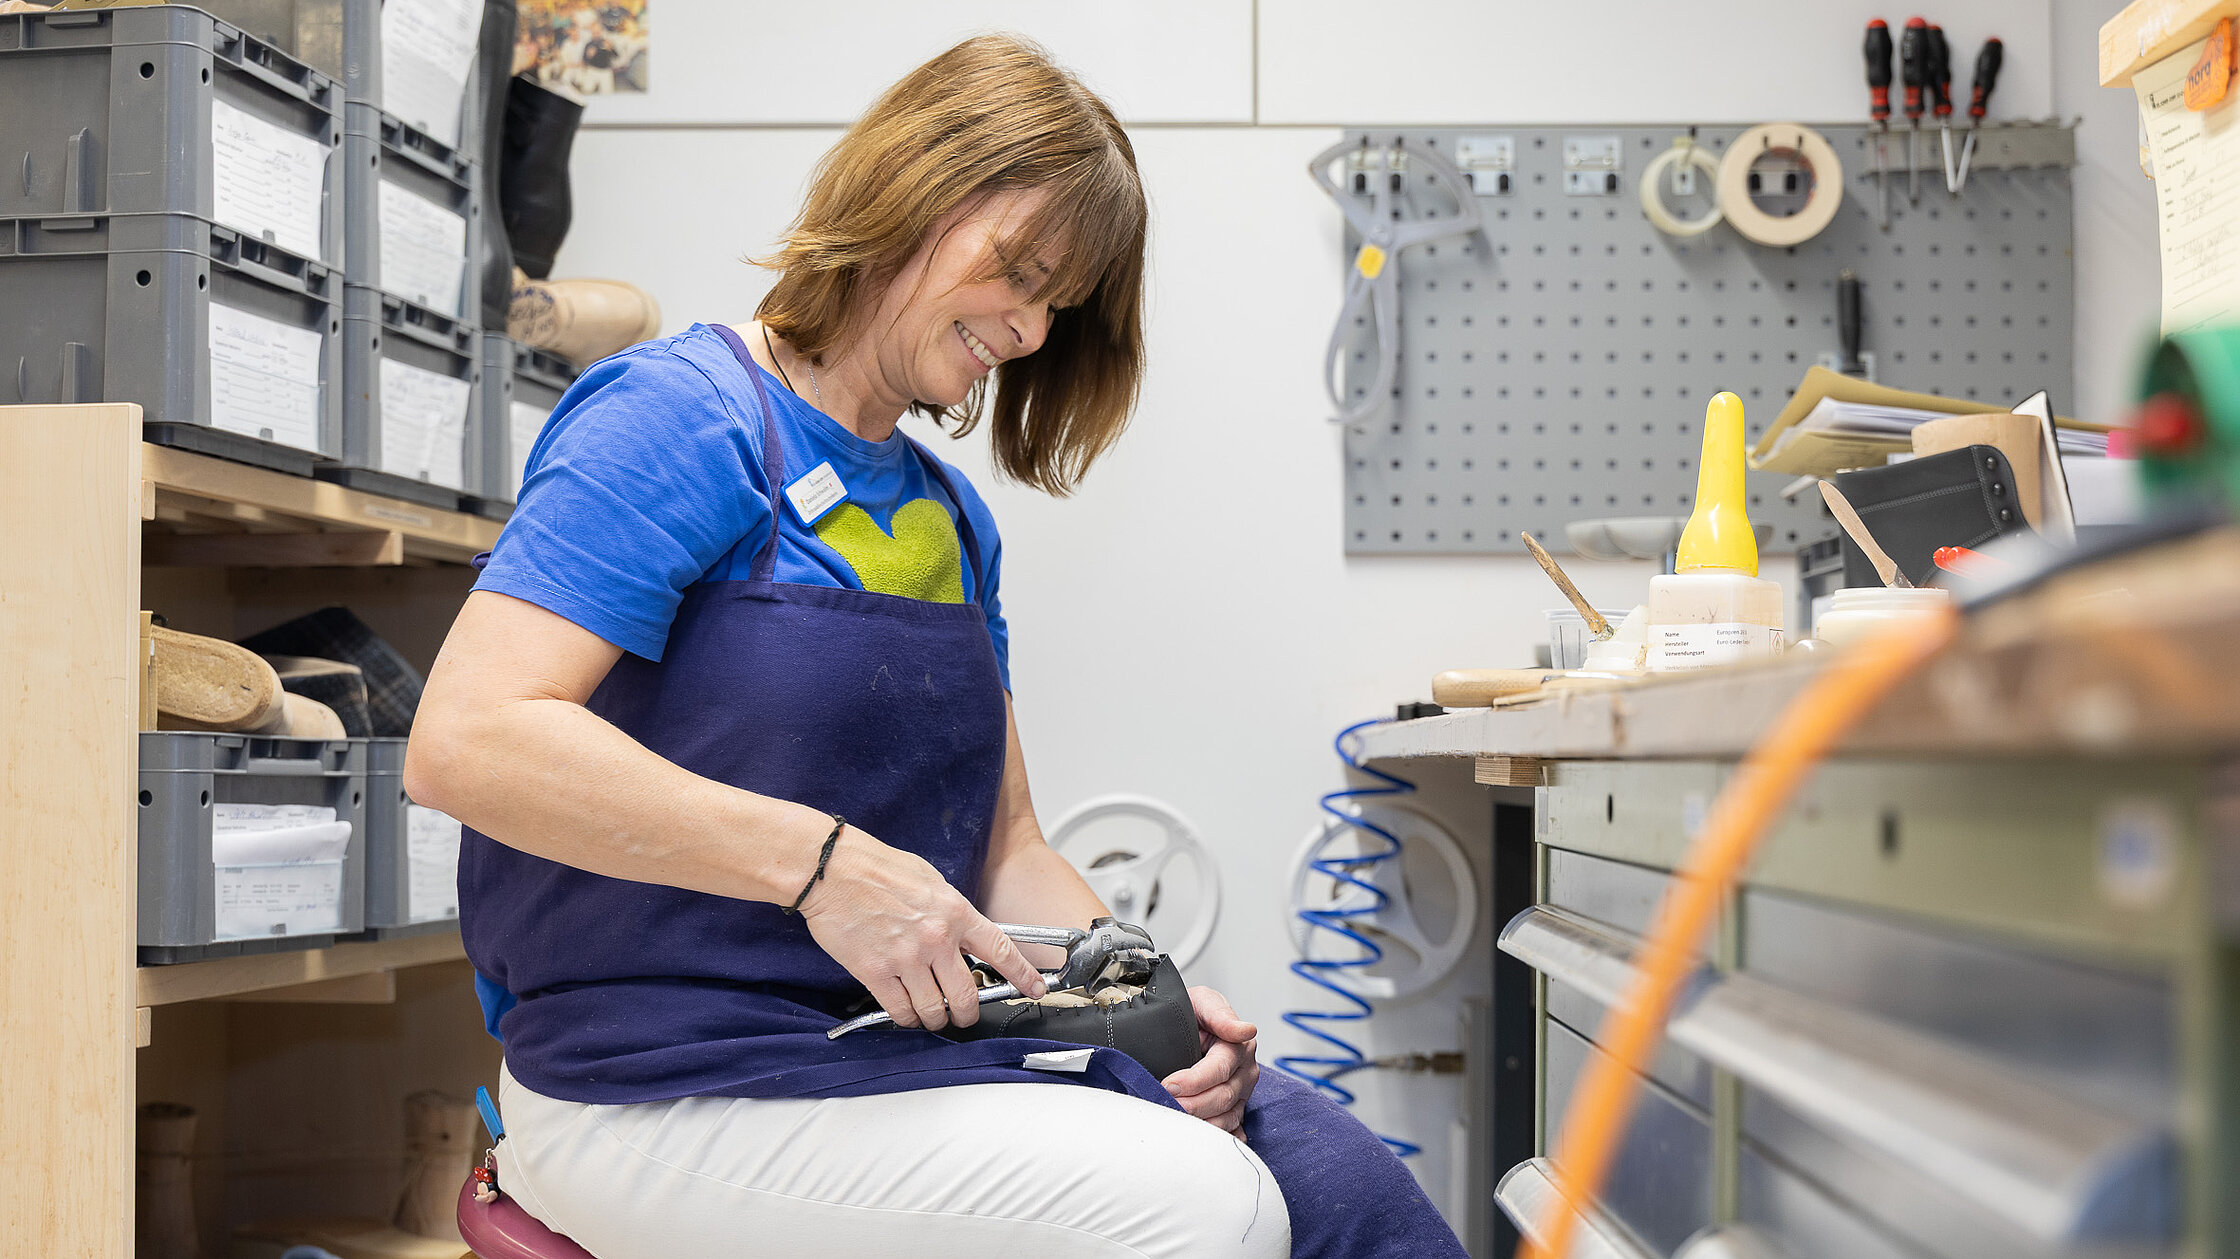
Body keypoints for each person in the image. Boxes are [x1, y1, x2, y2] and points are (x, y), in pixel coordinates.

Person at [406, 34, 1465, 1259]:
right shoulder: (677, 417)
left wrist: (1144, 992)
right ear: (908, 187)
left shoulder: (945, 516)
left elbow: (1007, 846)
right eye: (1015, 271)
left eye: (1053, 305)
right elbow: (467, 740)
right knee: (1200, 1205)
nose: (1022, 330)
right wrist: (822, 867)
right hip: (653, 1080)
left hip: (881, 1051)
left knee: (1338, 1181)